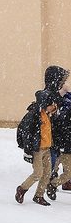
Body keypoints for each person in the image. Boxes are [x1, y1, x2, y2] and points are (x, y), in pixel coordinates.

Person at [15, 90, 60, 206]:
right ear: (45, 103)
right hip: (37, 149)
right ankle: (22, 189)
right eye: (52, 105)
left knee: (47, 173)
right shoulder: (34, 114)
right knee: (38, 173)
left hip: (47, 148)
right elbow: (25, 131)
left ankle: (39, 196)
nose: (53, 107)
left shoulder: (47, 114)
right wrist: (28, 150)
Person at [48, 70, 71, 198]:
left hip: (66, 143)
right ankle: (41, 191)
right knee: (51, 169)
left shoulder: (67, 97)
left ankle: (52, 184)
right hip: (56, 141)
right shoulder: (52, 96)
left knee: (67, 172)